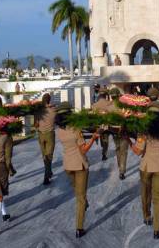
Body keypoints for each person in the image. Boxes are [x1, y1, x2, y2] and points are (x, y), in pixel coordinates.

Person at [55, 102, 99, 238]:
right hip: (79, 165)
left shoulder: (59, 131)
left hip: (68, 165)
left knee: (77, 192)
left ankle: (84, 203)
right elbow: (83, 150)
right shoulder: (75, 129)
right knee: (80, 198)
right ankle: (79, 228)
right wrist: (93, 138)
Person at [126, 101, 159, 240]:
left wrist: (129, 141)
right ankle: (157, 229)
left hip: (146, 167)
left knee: (145, 194)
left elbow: (138, 152)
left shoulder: (143, 131)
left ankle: (147, 216)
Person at [34, 93, 57, 185]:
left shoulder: (38, 111)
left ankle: (48, 171)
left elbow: (35, 125)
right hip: (50, 134)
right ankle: (47, 175)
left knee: (45, 156)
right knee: (49, 155)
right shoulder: (54, 110)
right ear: (49, 100)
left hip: (41, 134)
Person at [108, 88, 129, 180]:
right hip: (123, 131)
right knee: (123, 151)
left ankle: (120, 168)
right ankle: (122, 171)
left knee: (117, 149)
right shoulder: (123, 105)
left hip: (113, 131)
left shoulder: (108, 106)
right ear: (118, 96)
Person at [0, 95, 16, 177]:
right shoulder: (5, 112)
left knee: (4, 156)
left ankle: (10, 169)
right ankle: (6, 174)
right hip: (7, 137)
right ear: (1, 102)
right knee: (7, 156)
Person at [92, 88, 112, 161]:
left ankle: (103, 148)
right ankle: (104, 153)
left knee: (102, 138)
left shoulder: (94, 105)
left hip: (98, 125)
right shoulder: (109, 104)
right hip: (107, 125)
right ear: (106, 95)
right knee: (105, 139)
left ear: (99, 95)